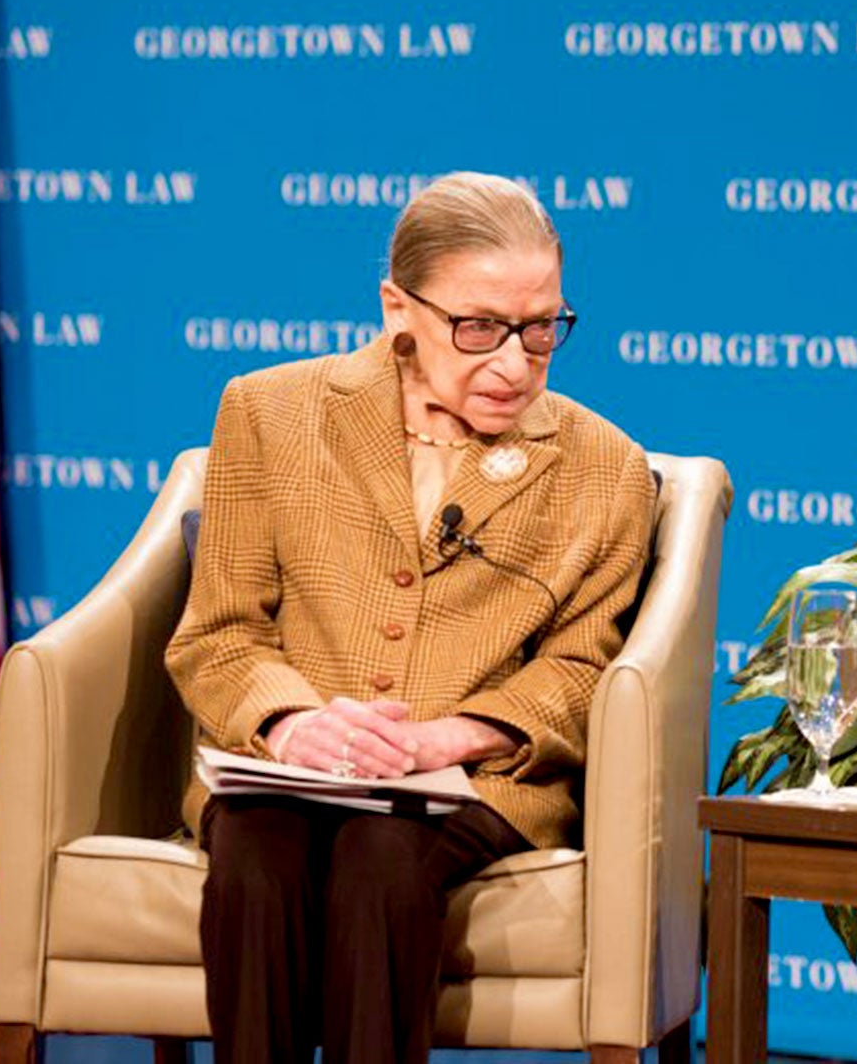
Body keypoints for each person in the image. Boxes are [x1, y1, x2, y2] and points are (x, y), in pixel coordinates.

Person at [166, 171, 656, 1064]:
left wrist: (449, 738)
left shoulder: (607, 467)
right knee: (257, 857)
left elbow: (583, 671)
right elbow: (220, 631)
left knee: (381, 858)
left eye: (542, 327)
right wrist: (293, 722)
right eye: (478, 328)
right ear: (398, 305)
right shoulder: (269, 412)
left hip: (476, 782)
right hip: (281, 767)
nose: (514, 362)